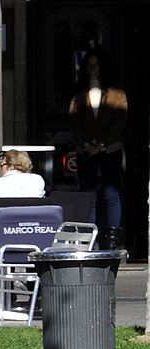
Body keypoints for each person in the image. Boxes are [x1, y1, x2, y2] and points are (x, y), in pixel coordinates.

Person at [69, 46, 127, 248]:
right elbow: (74, 120)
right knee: (89, 196)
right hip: (86, 151)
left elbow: (120, 119)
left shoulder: (116, 93)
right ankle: (90, 238)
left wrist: (101, 144)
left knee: (111, 195)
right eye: (90, 65)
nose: (93, 69)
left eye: (97, 65)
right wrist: (87, 144)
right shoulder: (79, 94)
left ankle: (112, 240)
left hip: (109, 149)